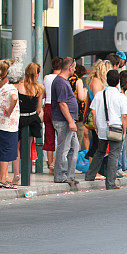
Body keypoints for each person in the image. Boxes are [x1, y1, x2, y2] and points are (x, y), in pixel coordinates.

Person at [86, 69, 127, 189]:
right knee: (113, 155)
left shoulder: (100, 94)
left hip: (101, 128)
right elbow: (124, 116)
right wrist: (124, 131)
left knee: (99, 152)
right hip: (116, 129)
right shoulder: (121, 97)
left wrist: (96, 125)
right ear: (118, 81)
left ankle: (90, 175)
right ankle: (110, 183)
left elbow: (93, 111)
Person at [51, 57, 80, 189]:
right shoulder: (61, 82)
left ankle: (69, 175)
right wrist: (70, 121)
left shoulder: (63, 81)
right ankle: (60, 175)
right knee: (64, 148)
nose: (74, 69)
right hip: (64, 121)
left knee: (74, 147)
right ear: (69, 68)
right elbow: (62, 104)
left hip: (68, 120)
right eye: (74, 67)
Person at [14, 63, 44, 183]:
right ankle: (27, 171)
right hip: (32, 120)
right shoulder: (39, 88)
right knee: (27, 146)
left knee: (16, 148)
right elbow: (39, 109)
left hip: (18, 119)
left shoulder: (19, 86)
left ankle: (16, 173)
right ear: (38, 74)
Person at [0, 62, 21, 189]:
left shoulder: (3, 86)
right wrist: (10, 110)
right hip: (9, 125)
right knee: (7, 152)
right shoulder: (12, 89)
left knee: (2, 150)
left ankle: (1, 177)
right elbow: (14, 98)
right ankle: (2, 179)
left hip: (0, 123)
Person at [42, 57, 61, 173]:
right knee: (61, 136)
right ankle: (54, 162)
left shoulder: (46, 78)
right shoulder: (61, 79)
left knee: (49, 137)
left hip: (47, 107)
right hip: (57, 107)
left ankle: (50, 165)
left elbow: (44, 93)